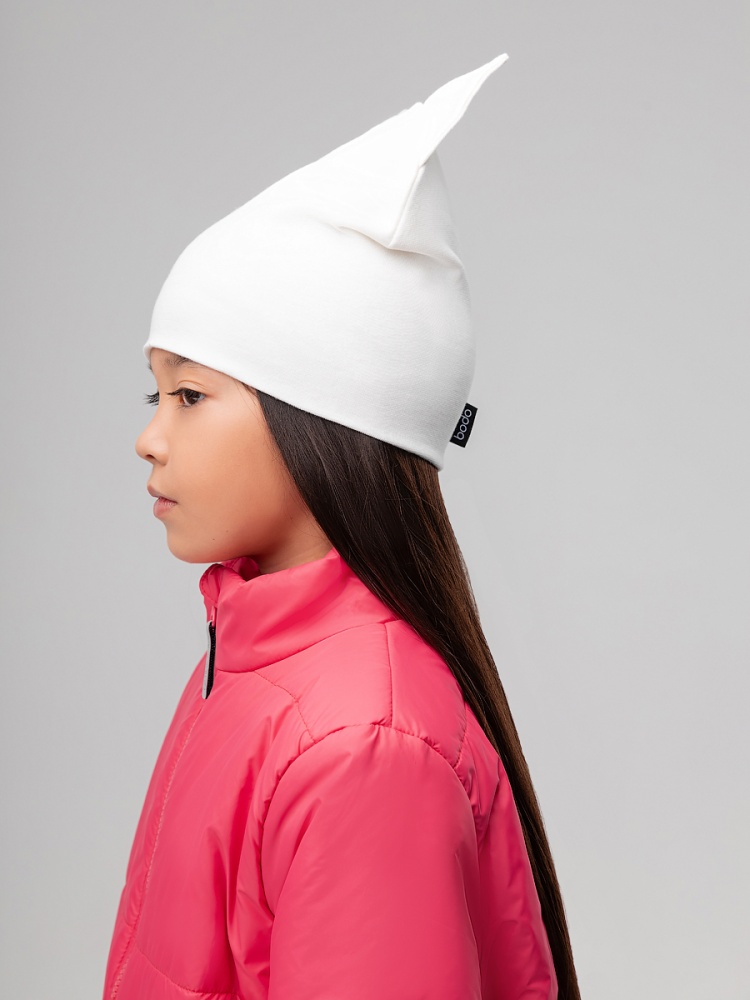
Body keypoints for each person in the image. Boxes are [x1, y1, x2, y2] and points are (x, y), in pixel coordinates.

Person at [102, 54, 581, 1000]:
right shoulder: (249, 653)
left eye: (190, 395)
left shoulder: (364, 745)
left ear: (318, 422)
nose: (149, 438)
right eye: (155, 395)